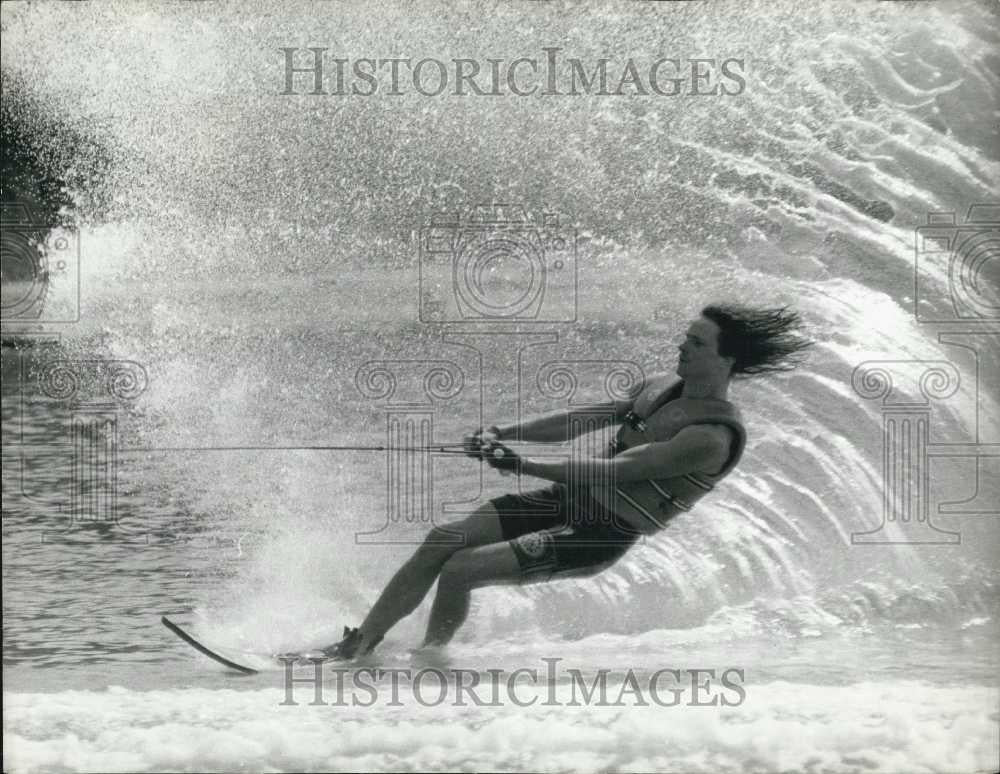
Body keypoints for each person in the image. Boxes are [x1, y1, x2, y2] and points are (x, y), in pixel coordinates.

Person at [324, 304, 812, 658]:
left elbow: (618, 470)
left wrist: (524, 465)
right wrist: (504, 432)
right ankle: (360, 644)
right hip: (564, 499)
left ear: (726, 361)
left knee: (461, 569)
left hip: (600, 533)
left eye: (697, 342)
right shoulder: (660, 388)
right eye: (687, 336)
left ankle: (429, 660)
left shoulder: (710, 437)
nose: (682, 345)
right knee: (442, 541)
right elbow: (581, 418)